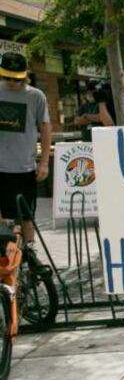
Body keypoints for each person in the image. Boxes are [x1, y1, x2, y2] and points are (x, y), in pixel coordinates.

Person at [0, 51, 50, 246]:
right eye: (7, 77)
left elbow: (45, 128)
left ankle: (29, 254)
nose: (12, 82)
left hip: (24, 167)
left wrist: (44, 162)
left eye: (16, 78)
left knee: (27, 216)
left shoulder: (35, 96)